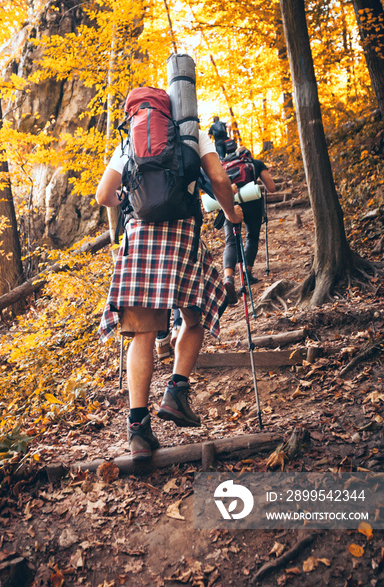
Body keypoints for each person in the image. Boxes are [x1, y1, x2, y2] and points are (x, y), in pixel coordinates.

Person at [96, 127, 243, 461]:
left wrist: (127, 203)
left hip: (140, 241)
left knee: (142, 335)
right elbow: (220, 180)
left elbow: (103, 194)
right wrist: (231, 213)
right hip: (182, 240)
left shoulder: (133, 138)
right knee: (196, 317)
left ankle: (138, 431)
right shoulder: (191, 134)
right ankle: (176, 392)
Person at [222, 147, 276, 304]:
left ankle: (228, 278)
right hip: (253, 203)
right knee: (252, 237)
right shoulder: (256, 163)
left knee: (231, 242)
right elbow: (272, 188)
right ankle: (247, 273)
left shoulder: (224, 165)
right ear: (248, 156)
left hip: (231, 204)